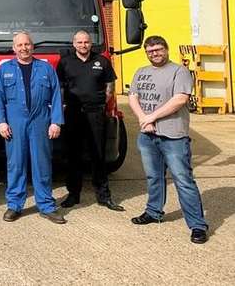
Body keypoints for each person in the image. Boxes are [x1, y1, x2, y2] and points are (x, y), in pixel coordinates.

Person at [128, 35, 209, 244]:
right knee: (153, 177)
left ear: (166, 49)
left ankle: (198, 225)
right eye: (150, 51)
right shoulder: (141, 72)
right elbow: (133, 97)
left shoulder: (178, 71)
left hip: (173, 136)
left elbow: (180, 99)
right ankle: (154, 211)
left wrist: (151, 117)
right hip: (147, 135)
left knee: (183, 180)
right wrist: (143, 120)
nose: (154, 53)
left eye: (158, 49)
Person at [0, 31, 65, 224]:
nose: (24, 48)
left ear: (32, 46)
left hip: (40, 120)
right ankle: (14, 205)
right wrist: (1, 121)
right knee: (15, 164)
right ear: (14, 48)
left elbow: (57, 94)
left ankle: (46, 206)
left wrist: (56, 121)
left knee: (42, 164)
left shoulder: (46, 69)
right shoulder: (4, 69)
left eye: (27, 44)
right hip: (15, 122)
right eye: (20, 45)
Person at [57, 30, 124, 211]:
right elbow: (60, 88)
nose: (83, 45)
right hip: (73, 113)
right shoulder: (65, 63)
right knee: (73, 155)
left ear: (90, 43)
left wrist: (103, 103)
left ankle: (104, 196)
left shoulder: (102, 61)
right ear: (74, 44)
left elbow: (110, 85)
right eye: (79, 42)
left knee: (98, 154)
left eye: (86, 42)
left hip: (96, 113)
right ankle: (73, 195)